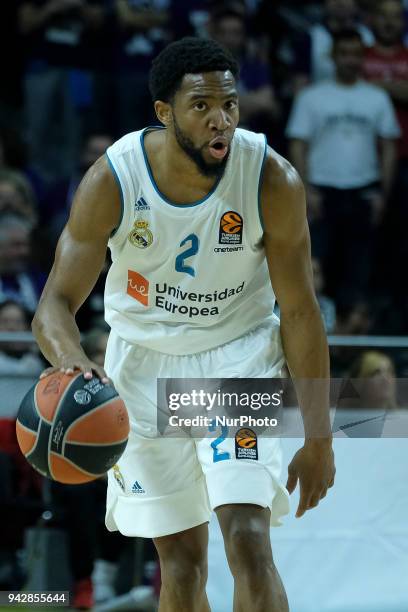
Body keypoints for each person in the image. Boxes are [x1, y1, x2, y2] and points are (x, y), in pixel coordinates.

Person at [32, 36, 335, 612]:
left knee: (248, 541)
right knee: (181, 564)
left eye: (229, 104)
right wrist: (73, 361)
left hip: (236, 359)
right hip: (142, 368)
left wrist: (319, 438)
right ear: (164, 113)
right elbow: (54, 305)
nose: (220, 120)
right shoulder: (115, 178)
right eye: (201, 107)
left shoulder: (271, 178)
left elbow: (299, 311)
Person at [286, 28, 400, 313]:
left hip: (364, 189)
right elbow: (298, 144)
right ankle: (316, 332)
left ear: (363, 57)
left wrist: (383, 193)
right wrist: (306, 190)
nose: (350, 60)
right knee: (317, 265)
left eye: (356, 54)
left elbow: (388, 146)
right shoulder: (312, 97)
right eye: (344, 54)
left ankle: (354, 335)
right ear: (333, 57)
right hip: (321, 192)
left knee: (360, 268)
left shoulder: (376, 98)